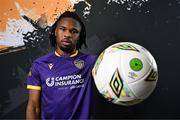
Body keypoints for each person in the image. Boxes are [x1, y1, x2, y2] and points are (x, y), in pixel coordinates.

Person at [26, 11, 97, 119]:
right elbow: (33, 106)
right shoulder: (40, 64)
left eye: (74, 31)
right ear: (55, 31)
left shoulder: (91, 62)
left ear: (79, 36)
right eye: (63, 29)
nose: (68, 35)